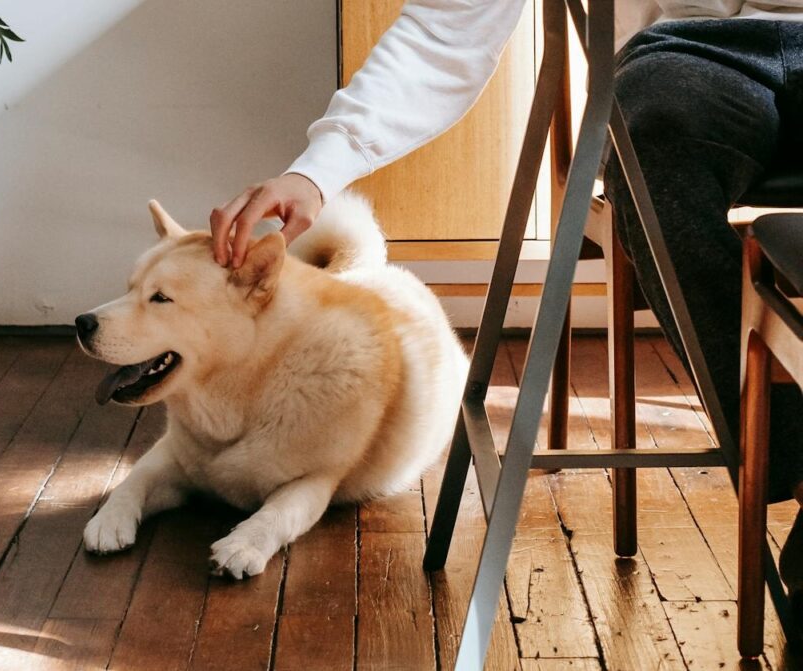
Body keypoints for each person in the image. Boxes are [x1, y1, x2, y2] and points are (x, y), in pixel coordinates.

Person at [210, 0, 803, 621]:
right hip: (690, 57)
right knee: (656, 138)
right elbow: (446, 28)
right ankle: (793, 454)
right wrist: (316, 173)